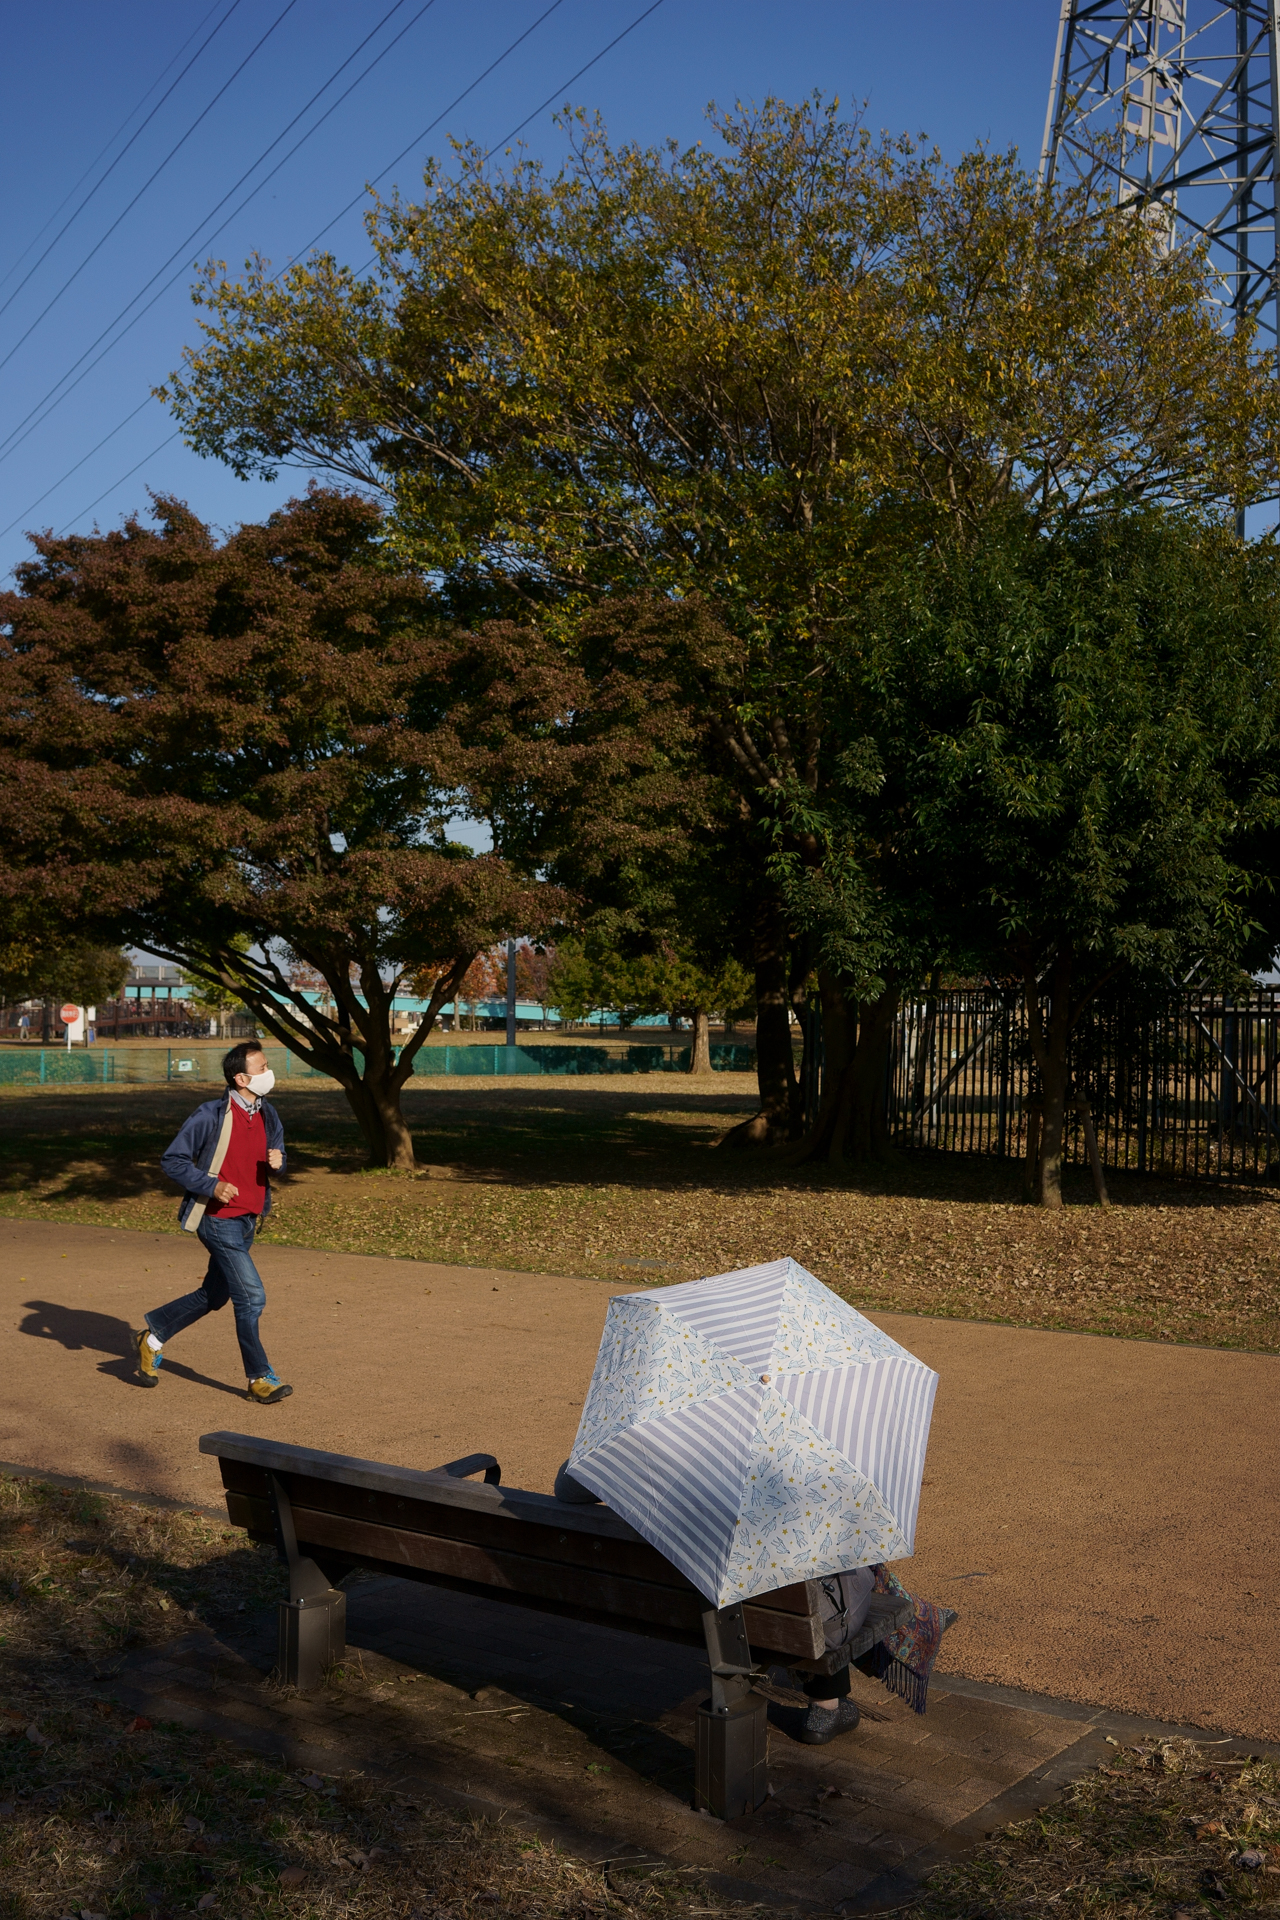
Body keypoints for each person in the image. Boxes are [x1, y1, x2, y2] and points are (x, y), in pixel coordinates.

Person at [137, 1041, 292, 1403]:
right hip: (216, 1220)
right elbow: (173, 1160)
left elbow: (281, 1157)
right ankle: (259, 1377)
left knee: (215, 1294)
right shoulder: (210, 1114)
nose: (269, 1073)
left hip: (248, 1219)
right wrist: (212, 1185)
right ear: (241, 1077)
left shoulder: (268, 1114)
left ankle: (153, 1338)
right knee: (251, 1296)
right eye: (262, 1067)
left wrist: (279, 1162)